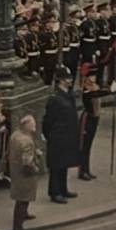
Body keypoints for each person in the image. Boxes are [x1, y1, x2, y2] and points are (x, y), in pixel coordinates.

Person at [41, 69, 79, 204]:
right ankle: (55, 192)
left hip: (67, 136)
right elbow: (48, 120)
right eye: (68, 78)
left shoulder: (68, 95)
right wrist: (50, 135)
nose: (71, 80)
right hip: (58, 136)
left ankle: (63, 189)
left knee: (64, 164)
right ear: (61, 80)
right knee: (56, 166)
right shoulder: (55, 98)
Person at [8, 115, 42, 230]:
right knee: (23, 199)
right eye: (32, 125)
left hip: (15, 170)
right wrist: (36, 168)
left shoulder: (15, 135)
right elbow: (27, 162)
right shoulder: (26, 141)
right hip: (25, 174)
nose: (34, 127)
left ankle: (24, 215)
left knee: (22, 197)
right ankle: (18, 229)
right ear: (27, 126)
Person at [78, 66, 106, 181]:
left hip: (95, 117)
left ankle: (87, 169)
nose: (93, 78)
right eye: (91, 75)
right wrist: (110, 90)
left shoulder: (95, 87)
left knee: (89, 146)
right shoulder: (86, 90)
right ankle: (82, 170)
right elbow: (96, 95)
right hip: (88, 118)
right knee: (85, 145)